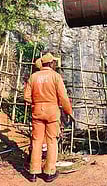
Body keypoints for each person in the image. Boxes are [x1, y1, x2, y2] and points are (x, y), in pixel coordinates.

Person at [24, 53, 72, 183]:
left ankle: (33, 172)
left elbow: (26, 97)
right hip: (52, 111)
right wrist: (68, 111)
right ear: (51, 63)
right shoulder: (56, 77)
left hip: (37, 111)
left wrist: (37, 102)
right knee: (51, 141)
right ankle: (49, 172)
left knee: (37, 141)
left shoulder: (33, 77)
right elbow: (63, 97)